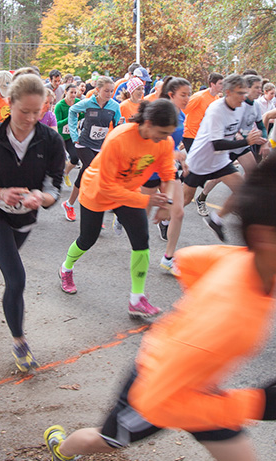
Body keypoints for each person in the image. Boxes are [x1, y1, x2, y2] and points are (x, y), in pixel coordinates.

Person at [43, 152, 276, 461]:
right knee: (107, 442)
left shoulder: (250, 261)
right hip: (156, 383)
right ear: (268, 238)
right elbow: (158, 404)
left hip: (197, 380)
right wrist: (255, 402)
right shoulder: (227, 321)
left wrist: (190, 313)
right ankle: (62, 446)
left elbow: (188, 260)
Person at [0, 74, 64, 371]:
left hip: (25, 217)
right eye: (25, 111)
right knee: (16, 278)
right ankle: (19, 341)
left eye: (38, 112)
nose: (31, 118)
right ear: (10, 104)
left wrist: (40, 198)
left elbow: (55, 188)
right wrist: (0, 194)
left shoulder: (51, 141)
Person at [58, 99, 177, 318]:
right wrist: (147, 201)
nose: (165, 138)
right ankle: (66, 268)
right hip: (97, 191)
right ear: (148, 123)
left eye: (168, 133)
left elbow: (168, 173)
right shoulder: (119, 138)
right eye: (162, 132)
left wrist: (167, 202)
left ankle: (136, 299)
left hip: (129, 191)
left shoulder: (164, 141)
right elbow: (107, 187)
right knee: (88, 239)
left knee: (141, 241)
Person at [184, 75, 266, 242]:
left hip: (220, 160)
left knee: (243, 189)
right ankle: (165, 218)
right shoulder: (216, 109)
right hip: (201, 159)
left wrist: (262, 140)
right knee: (185, 199)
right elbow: (216, 144)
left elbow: (250, 126)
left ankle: (216, 220)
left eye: (245, 93)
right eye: (240, 93)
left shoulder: (241, 106)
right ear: (227, 92)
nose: (244, 97)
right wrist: (246, 141)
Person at [61, 76, 121, 222]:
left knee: (84, 174)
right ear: (98, 90)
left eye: (112, 91)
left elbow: (118, 125)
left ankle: (69, 204)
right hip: (84, 144)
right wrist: (74, 134)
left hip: (100, 145)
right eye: (106, 91)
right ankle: (93, 212)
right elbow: (72, 111)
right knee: (96, 172)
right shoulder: (87, 103)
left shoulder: (114, 106)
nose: (109, 94)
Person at [148, 76, 191, 275]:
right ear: (171, 94)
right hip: (148, 167)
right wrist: (172, 153)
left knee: (178, 212)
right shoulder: (159, 110)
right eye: (183, 95)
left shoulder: (181, 115)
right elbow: (149, 141)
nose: (187, 98)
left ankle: (168, 258)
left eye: (189, 94)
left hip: (168, 168)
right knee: (141, 211)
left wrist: (182, 159)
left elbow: (174, 143)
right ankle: (124, 215)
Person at [182, 73, 224, 152]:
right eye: (220, 83)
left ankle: (182, 161)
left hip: (204, 136)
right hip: (191, 135)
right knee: (196, 162)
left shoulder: (217, 98)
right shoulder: (199, 97)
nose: (222, 86)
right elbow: (182, 110)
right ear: (212, 84)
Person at [54, 83, 80, 185]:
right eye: (71, 92)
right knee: (57, 160)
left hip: (70, 135)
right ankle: (54, 179)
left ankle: (65, 173)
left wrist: (79, 117)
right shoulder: (60, 105)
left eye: (75, 92)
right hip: (60, 136)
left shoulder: (78, 103)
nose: (73, 95)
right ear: (65, 92)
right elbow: (57, 124)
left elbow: (82, 116)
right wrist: (70, 118)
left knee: (75, 157)